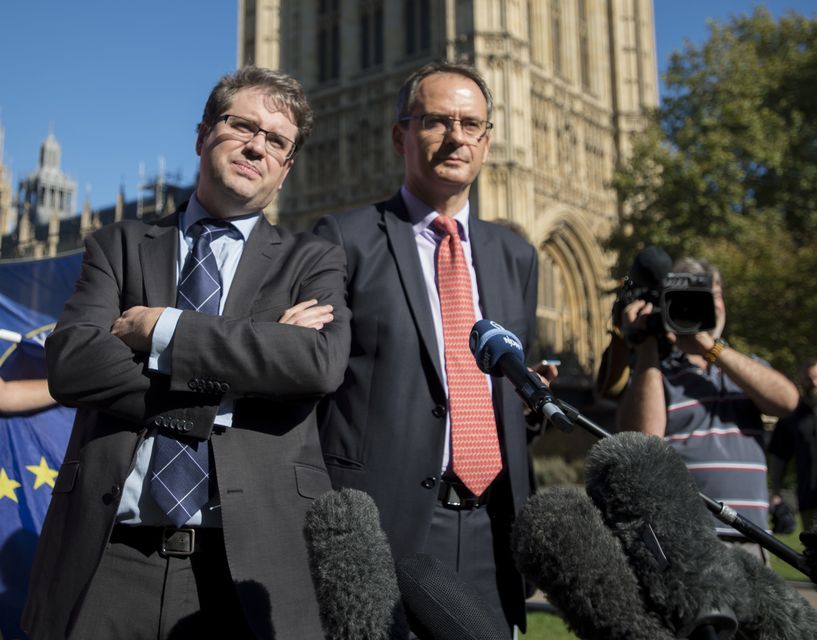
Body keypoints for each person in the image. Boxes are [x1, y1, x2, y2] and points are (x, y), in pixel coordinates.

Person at [22, 66, 351, 640]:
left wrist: (163, 331)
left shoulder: (313, 260)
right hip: (108, 559)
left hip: (245, 569)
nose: (257, 146)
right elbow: (71, 365)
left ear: (288, 165)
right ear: (202, 135)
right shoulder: (119, 245)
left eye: (277, 140)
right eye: (241, 125)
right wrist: (248, 365)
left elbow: (316, 364)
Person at [313, 61, 553, 637]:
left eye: (472, 124)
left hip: (493, 527)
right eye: (438, 121)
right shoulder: (345, 239)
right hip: (385, 524)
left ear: (488, 141)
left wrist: (527, 405)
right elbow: (315, 380)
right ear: (401, 135)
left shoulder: (516, 256)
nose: (457, 137)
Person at [616, 256, 798, 557]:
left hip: (752, 538)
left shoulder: (745, 368)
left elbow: (787, 401)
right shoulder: (654, 372)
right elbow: (644, 440)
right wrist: (646, 346)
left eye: (713, 295)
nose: (708, 306)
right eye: (690, 299)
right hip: (684, 541)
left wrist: (711, 349)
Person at [769, 357, 817, 532]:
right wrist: (775, 491)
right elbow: (779, 456)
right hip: (809, 499)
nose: (813, 383)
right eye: (808, 378)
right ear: (800, 380)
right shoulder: (791, 415)